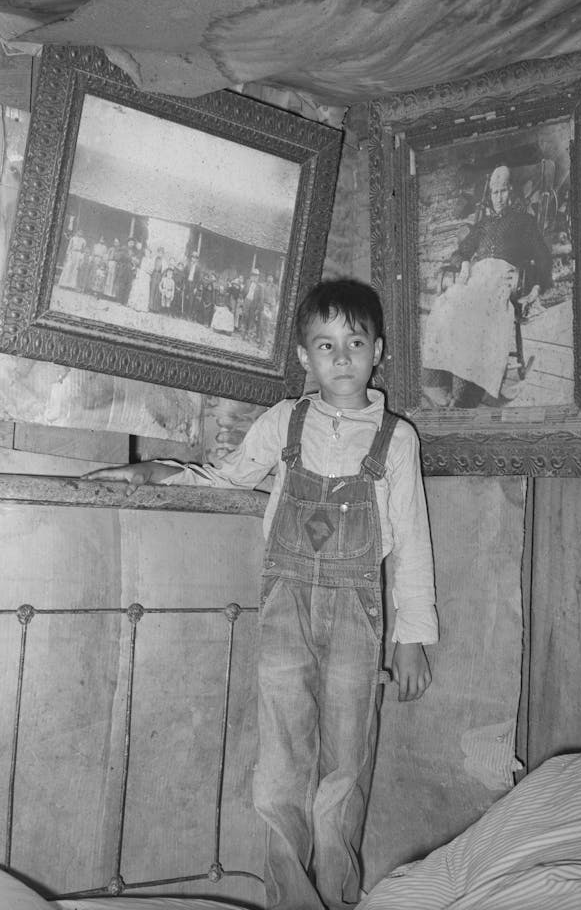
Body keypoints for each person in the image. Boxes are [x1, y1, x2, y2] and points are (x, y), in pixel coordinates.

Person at [85, 278, 438, 910]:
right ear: (305, 356)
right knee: (279, 766)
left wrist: (412, 637)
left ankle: (337, 895)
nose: (341, 357)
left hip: (359, 616)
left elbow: (411, 544)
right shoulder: (285, 422)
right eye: (325, 344)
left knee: (345, 764)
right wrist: (155, 471)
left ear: (377, 350)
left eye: (354, 343)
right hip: (284, 610)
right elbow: (227, 480)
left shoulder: (397, 438)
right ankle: (291, 900)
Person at [422, 164, 552, 407]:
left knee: (477, 313)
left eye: (503, 191)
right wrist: (463, 266)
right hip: (477, 277)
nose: (498, 198)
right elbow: (460, 252)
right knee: (445, 305)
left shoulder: (525, 221)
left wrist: (535, 288)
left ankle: (467, 393)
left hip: (502, 278)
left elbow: (542, 258)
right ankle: (441, 380)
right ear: (489, 194)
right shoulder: (484, 224)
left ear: (511, 192)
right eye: (494, 192)